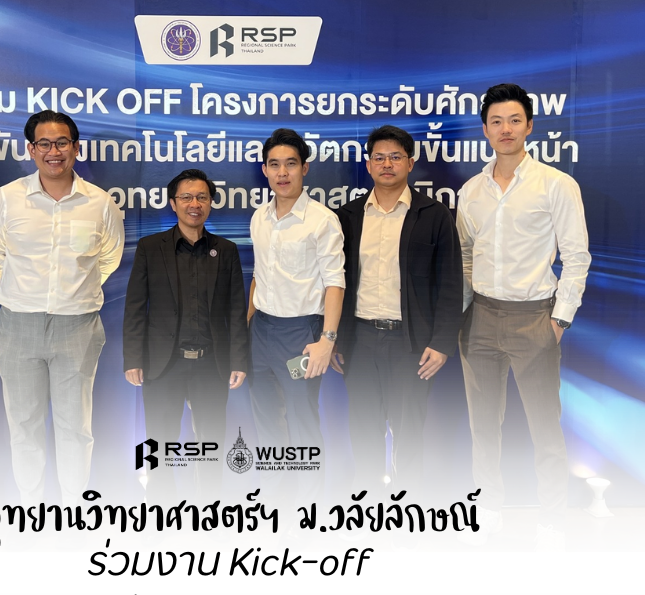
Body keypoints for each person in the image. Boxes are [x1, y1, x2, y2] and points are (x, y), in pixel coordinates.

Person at [457, 83, 590, 549]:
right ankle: (488, 510)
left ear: (530, 126)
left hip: (536, 317)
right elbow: (466, 253)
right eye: (496, 121)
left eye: (514, 120)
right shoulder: (471, 190)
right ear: (485, 129)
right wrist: (465, 308)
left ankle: (552, 518)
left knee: (544, 425)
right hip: (479, 318)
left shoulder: (556, 184)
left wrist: (560, 320)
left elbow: (577, 257)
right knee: (482, 425)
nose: (506, 129)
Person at [0, 110, 124, 508]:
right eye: (43, 143)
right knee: (23, 424)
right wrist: (29, 294)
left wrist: (72, 292)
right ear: (31, 150)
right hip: (18, 324)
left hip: (77, 326)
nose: (53, 151)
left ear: (75, 148)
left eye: (62, 143)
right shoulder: (7, 199)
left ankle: (74, 507)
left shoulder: (100, 203)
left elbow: (108, 259)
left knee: (75, 426)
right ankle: (31, 507)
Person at [336, 125, 462, 500]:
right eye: (379, 157)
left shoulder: (434, 215)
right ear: (368, 164)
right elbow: (335, 281)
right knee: (363, 428)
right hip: (360, 340)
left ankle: (406, 507)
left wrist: (442, 342)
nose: (387, 164)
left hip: (412, 344)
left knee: (409, 430)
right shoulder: (348, 216)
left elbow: (451, 282)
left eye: (395, 157)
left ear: (410, 162)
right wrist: (337, 338)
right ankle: (367, 503)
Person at [123, 169, 248, 503]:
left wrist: (239, 359)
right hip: (163, 364)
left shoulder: (226, 250)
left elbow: (237, 309)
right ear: (173, 203)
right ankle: (162, 509)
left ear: (210, 203)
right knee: (158, 443)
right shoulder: (151, 247)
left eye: (202, 197)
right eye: (187, 197)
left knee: (211, 444)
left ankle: (208, 509)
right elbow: (135, 306)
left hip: (211, 364)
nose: (195, 204)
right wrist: (133, 358)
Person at [248, 128, 345, 506]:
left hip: (300, 336)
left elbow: (335, 283)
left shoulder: (321, 220)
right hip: (261, 333)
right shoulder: (259, 217)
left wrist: (327, 340)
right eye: (274, 165)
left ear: (304, 168)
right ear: (265, 170)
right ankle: (274, 504)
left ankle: (308, 510)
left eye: (290, 164)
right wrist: (247, 327)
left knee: (303, 421)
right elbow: (259, 276)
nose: (282, 172)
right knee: (267, 422)